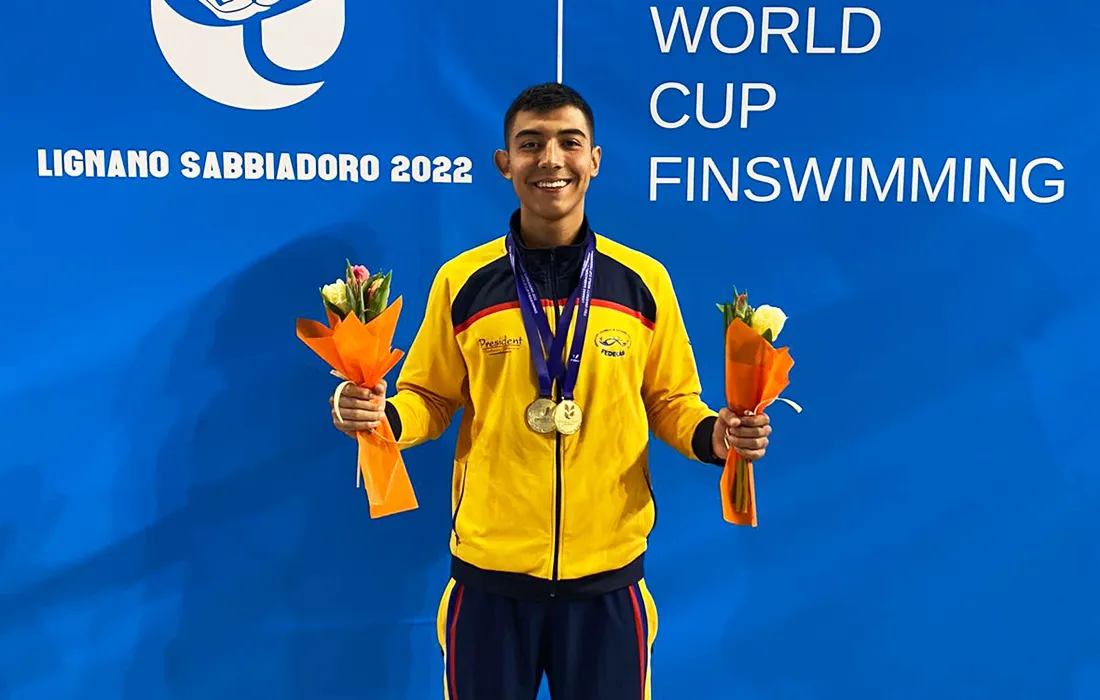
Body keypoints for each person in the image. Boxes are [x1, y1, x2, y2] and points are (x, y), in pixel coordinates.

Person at [329, 82, 772, 700]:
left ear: (595, 159)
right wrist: (379, 415)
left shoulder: (644, 282)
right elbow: (429, 397)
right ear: (504, 162)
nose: (551, 159)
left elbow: (672, 401)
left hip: (608, 584)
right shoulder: (464, 281)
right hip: (489, 584)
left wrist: (716, 436)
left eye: (570, 142)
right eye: (530, 144)